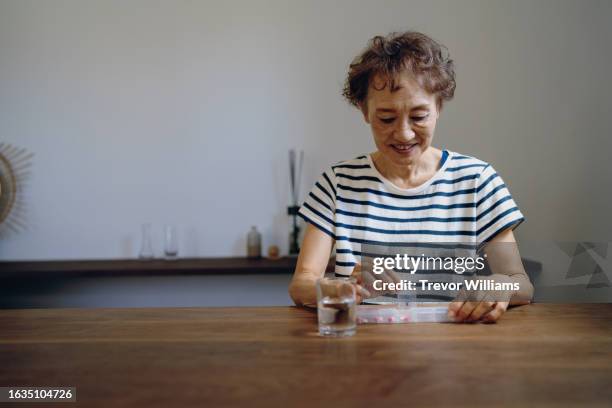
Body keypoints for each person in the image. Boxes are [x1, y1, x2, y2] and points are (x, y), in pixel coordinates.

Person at [289, 31, 533, 323]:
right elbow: (302, 283)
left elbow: (521, 283)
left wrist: (497, 285)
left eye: (419, 116)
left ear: (439, 107)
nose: (404, 133)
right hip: (362, 349)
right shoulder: (337, 184)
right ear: (364, 110)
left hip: (453, 350)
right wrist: (340, 287)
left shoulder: (478, 181)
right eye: (386, 118)